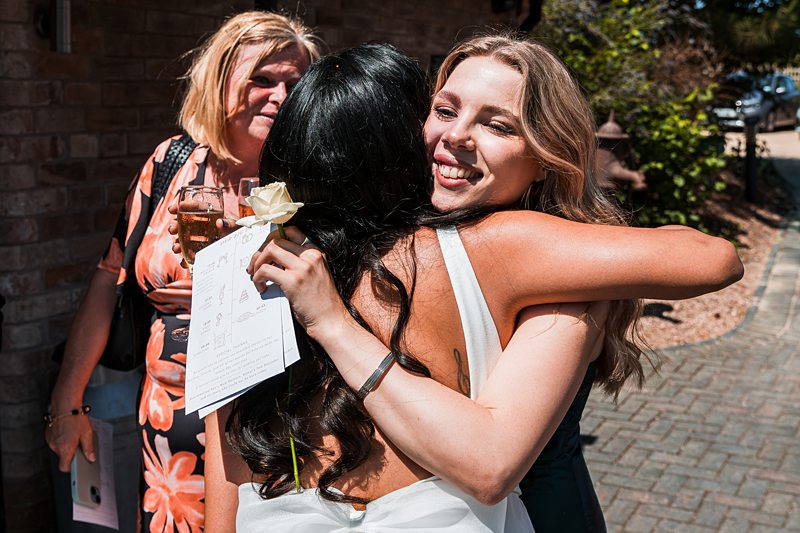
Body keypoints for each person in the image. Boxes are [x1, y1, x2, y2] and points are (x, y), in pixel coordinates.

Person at [205, 42, 742, 531]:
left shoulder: (517, 247)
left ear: (546, 157)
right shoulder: (441, 250)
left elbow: (714, 258)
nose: (456, 136)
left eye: (499, 125)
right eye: (444, 110)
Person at [45, 11, 320, 531]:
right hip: (166, 432)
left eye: (295, 82)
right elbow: (110, 278)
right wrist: (67, 403)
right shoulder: (171, 163)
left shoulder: (309, 180)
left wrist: (233, 280)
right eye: (262, 79)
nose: (281, 97)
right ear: (220, 85)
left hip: (267, 429)